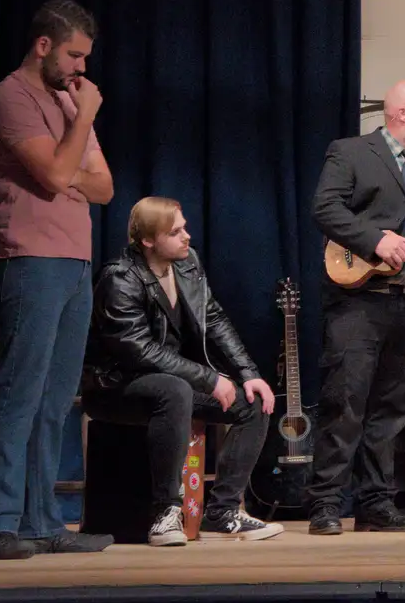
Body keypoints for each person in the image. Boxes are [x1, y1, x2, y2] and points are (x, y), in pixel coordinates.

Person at [0, 0, 115, 560]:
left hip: (75, 259)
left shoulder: (65, 97)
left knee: (55, 399)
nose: (81, 69)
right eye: (74, 55)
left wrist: (71, 165)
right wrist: (82, 125)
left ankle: (41, 521)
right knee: (20, 391)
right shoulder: (11, 98)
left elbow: (102, 187)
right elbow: (58, 174)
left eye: (85, 58)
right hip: (30, 257)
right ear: (43, 45)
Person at [82, 198, 282, 546]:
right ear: (148, 240)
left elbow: (214, 317)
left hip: (170, 381)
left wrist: (249, 373)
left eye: (184, 227)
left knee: (250, 402)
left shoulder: (187, 263)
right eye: (175, 232)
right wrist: (209, 378)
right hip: (114, 386)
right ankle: (165, 512)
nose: (186, 237)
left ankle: (223, 511)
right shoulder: (120, 278)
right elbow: (139, 350)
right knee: (175, 391)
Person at [307, 80, 405, 535]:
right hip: (360, 303)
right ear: (402, 114)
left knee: (391, 412)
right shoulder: (352, 152)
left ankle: (375, 504)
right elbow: (325, 209)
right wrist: (375, 239)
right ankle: (327, 505)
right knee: (344, 404)